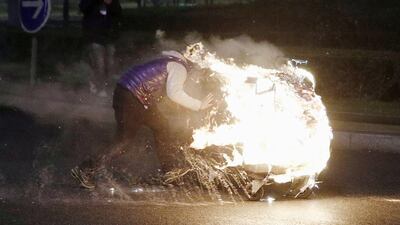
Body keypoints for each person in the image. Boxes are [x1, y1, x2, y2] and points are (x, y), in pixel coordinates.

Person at [71, 48, 214, 189]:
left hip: (135, 97)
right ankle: (85, 170)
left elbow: (159, 89)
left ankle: (169, 171)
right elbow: (174, 93)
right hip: (132, 98)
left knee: (162, 126)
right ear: (191, 63)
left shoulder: (167, 60)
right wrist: (199, 105)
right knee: (124, 140)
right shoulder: (179, 67)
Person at [79, 0, 122, 97]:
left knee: (109, 64)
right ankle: (100, 88)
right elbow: (83, 7)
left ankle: (105, 86)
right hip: (94, 36)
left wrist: (110, 3)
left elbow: (118, 12)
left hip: (109, 37)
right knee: (99, 63)